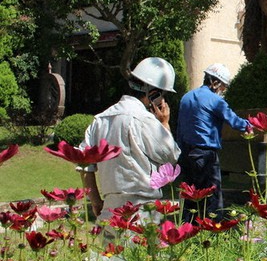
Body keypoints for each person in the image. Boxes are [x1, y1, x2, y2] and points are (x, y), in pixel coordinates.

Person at [81, 57, 181, 222]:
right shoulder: (145, 120)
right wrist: (164, 123)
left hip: (110, 209)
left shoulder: (100, 119)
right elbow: (171, 156)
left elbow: (85, 165)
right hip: (142, 210)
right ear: (154, 93)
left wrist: (95, 201)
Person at [176, 63, 250, 222]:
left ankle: (186, 231)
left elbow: (180, 129)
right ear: (215, 83)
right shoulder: (216, 101)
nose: (222, 90)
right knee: (212, 198)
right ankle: (212, 231)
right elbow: (235, 121)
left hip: (186, 155)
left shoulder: (186, 97)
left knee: (190, 196)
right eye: (223, 87)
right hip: (206, 155)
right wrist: (252, 125)